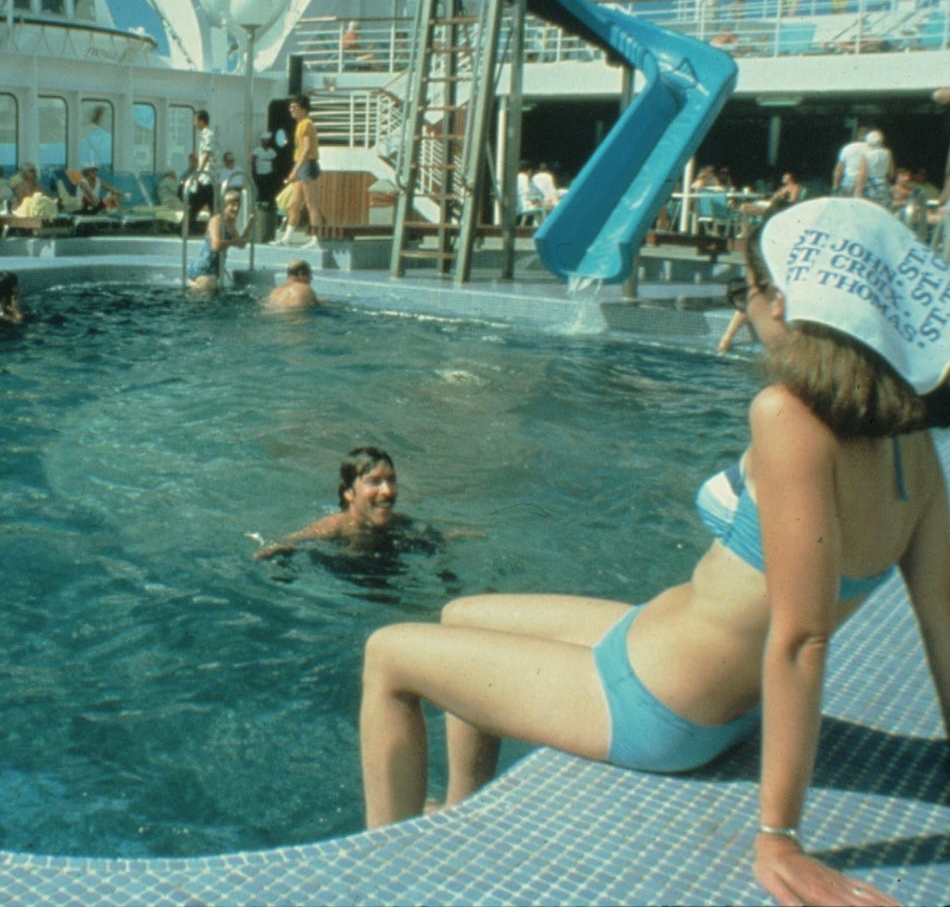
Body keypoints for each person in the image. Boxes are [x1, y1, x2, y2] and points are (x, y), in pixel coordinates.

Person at [359, 197, 950, 907]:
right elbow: (941, 623)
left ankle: (378, 874)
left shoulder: (788, 418)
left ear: (784, 301)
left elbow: (800, 637)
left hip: (659, 701)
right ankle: (461, 811)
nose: (747, 309)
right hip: (691, 669)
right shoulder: (911, 445)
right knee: (459, 612)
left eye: (747, 291)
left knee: (387, 654)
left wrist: (778, 835)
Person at [253, 447, 416, 560]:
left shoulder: (401, 523)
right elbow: (288, 541)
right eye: (374, 481)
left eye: (391, 480)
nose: (388, 490)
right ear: (349, 493)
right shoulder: (334, 527)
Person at [273, 94, 323, 249]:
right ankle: (286, 237)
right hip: (302, 166)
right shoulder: (300, 124)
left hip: (307, 165)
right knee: (295, 204)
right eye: (291, 107)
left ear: (303, 109)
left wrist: (296, 170)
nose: (291, 110)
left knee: (311, 204)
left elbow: (307, 149)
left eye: (295, 107)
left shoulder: (306, 123)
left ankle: (316, 239)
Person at [188, 187, 253, 293]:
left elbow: (241, 244)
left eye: (238, 205)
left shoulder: (230, 223)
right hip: (204, 269)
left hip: (214, 270)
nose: (236, 208)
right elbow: (215, 245)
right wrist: (232, 242)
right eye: (233, 205)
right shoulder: (216, 221)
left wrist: (249, 224)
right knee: (205, 305)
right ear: (224, 205)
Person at [833, 126, 872, 199]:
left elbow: (838, 170)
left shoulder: (847, 148)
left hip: (848, 182)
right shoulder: (871, 149)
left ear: (857, 135)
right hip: (865, 184)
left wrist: (835, 187)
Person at [861, 130, 895, 207]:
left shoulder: (866, 155)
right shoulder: (887, 153)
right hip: (884, 184)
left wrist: (857, 191)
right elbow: (892, 173)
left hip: (870, 186)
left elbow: (863, 174)